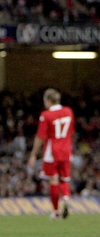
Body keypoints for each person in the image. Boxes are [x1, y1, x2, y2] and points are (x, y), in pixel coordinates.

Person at [27, 88, 75, 219]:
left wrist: (33, 154)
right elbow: (71, 131)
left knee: (53, 180)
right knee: (64, 179)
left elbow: (40, 136)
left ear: (48, 100)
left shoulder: (46, 115)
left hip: (52, 151)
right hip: (66, 150)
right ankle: (66, 199)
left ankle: (56, 211)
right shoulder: (68, 111)